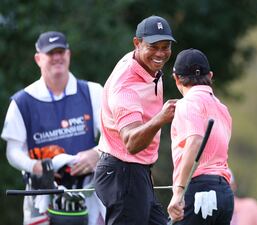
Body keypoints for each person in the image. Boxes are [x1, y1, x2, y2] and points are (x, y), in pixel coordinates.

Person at [1, 31, 105, 225]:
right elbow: (13, 151)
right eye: (50, 53)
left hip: (87, 192)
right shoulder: (22, 101)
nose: (57, 57)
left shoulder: (93, 91)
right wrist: (36, 167)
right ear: (38, 58)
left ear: (68, 54)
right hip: (41, 192)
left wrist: (97, 153)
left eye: (61, 51)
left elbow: (112, 135)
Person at [93, 15, 177, 225]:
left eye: (165, 47)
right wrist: (161, 119)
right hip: (123, 173)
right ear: (137, 43)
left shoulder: (146, 65)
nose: (160, 53)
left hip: (135, 173)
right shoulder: (126, 87)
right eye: (153, 46)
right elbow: (131, 142)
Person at [167, 48, 234, 225]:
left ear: (176, 78)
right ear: (210, 76)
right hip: (224, 195)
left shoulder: (187, 103)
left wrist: (179, 191)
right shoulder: (223, 109)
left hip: (199, 190)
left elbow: (195, 140)